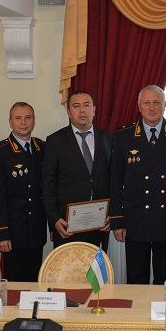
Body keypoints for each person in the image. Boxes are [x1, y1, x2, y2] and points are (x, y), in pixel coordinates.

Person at [109, 85, 166, 284]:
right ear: (139, 106)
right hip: (136, 219)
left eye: (157, 102)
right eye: (147, 103)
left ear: (165, 105)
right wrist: (118, 220)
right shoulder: (124, 136)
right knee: (136, 278)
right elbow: (115, 180)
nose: (152, 107)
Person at [42, 90, 111, 249]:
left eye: (86, 105)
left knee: (96, 265)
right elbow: (47, 183)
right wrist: (54, 219)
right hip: (66, 225)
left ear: (94, 109)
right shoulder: (54, 141)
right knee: (69, 266)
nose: (82, 110)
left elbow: (114, 180)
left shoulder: (108, 139)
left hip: (100, 224)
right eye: (76, 106)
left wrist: (112, 214)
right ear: (68, 111)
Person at [0, 102, 47, 282]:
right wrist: (1, 233)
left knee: (34, 283)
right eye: (18, 118)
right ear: (10, 122)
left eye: (28, 117)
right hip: (12, 234)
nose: (23, 122)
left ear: (34, 120)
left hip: (36, 230)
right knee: (12, 285)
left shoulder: (43, 148)